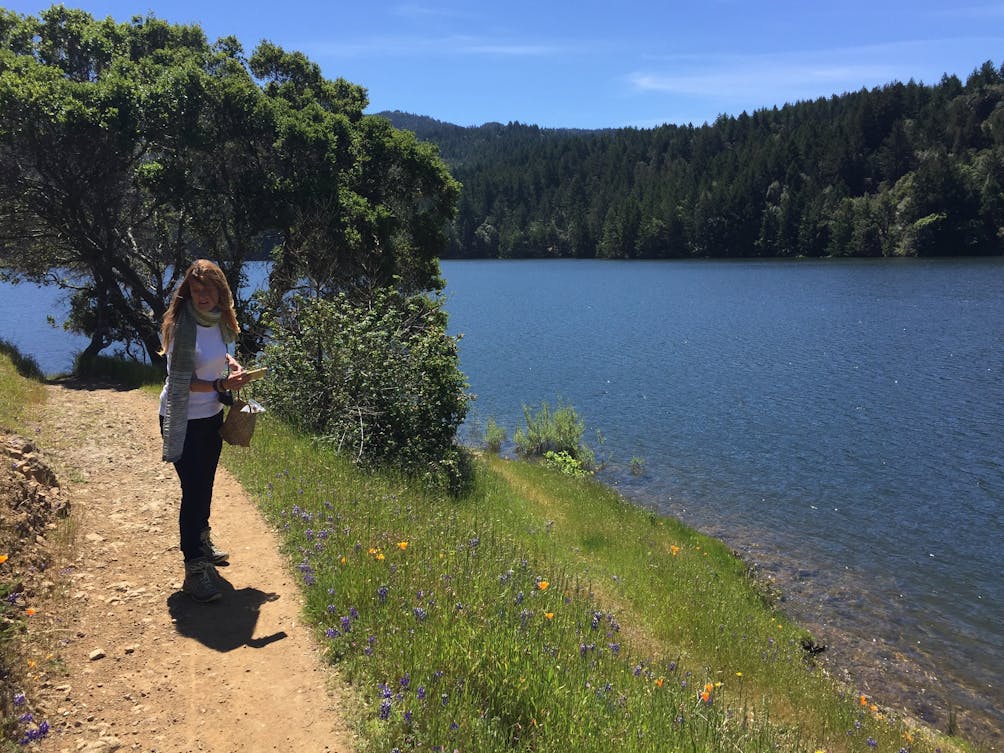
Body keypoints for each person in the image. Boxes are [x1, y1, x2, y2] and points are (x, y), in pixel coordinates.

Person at [158, 259, 253, 602]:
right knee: (194, 491)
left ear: (219, 291)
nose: (202, 296)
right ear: (188, 291)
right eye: (196, 290)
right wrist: (221, 384)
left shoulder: (216, 320)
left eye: (208, 289)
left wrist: (231, 363)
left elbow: (217, 356)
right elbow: (181, 381)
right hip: (182, 420)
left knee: (205, 486)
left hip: (211, 417)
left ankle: (202, 543)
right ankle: (194, 570)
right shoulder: (181, 326)